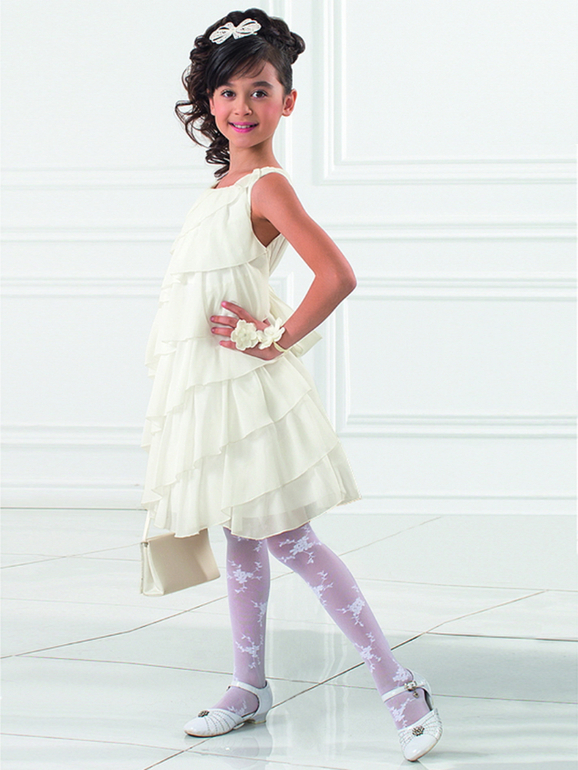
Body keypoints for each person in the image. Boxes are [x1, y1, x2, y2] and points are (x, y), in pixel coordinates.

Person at [140, 8, 442, 763]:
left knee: (289, 539)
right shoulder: (220, 188)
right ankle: (248, 685)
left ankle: (398, 683)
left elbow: (336, 275)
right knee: (241, 534)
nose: (242, 107)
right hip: (213, 388)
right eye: (228, 92)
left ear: (288, 101)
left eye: (260, 91)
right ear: (209, 101)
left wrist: (272, 338)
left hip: (246, 391)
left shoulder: (267, 187)